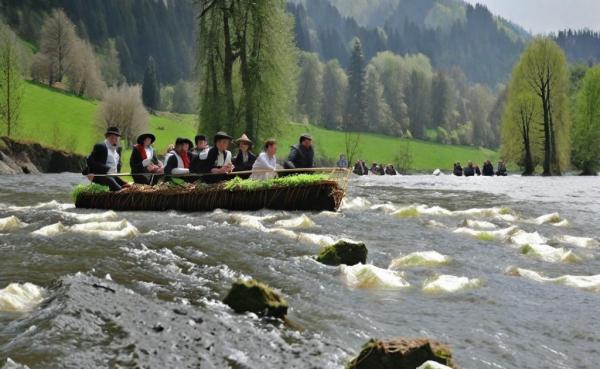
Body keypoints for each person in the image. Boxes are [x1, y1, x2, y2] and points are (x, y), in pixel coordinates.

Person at [84, 127, 130, 192]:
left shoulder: (117, 151)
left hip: (112, 176)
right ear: (108, 137)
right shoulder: (101, 146)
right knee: (118, 189)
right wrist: (91, 172)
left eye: (117, 137)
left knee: (127, 185)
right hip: (100, 175)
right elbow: (89, 160)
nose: (116, 139)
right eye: (113, 137)